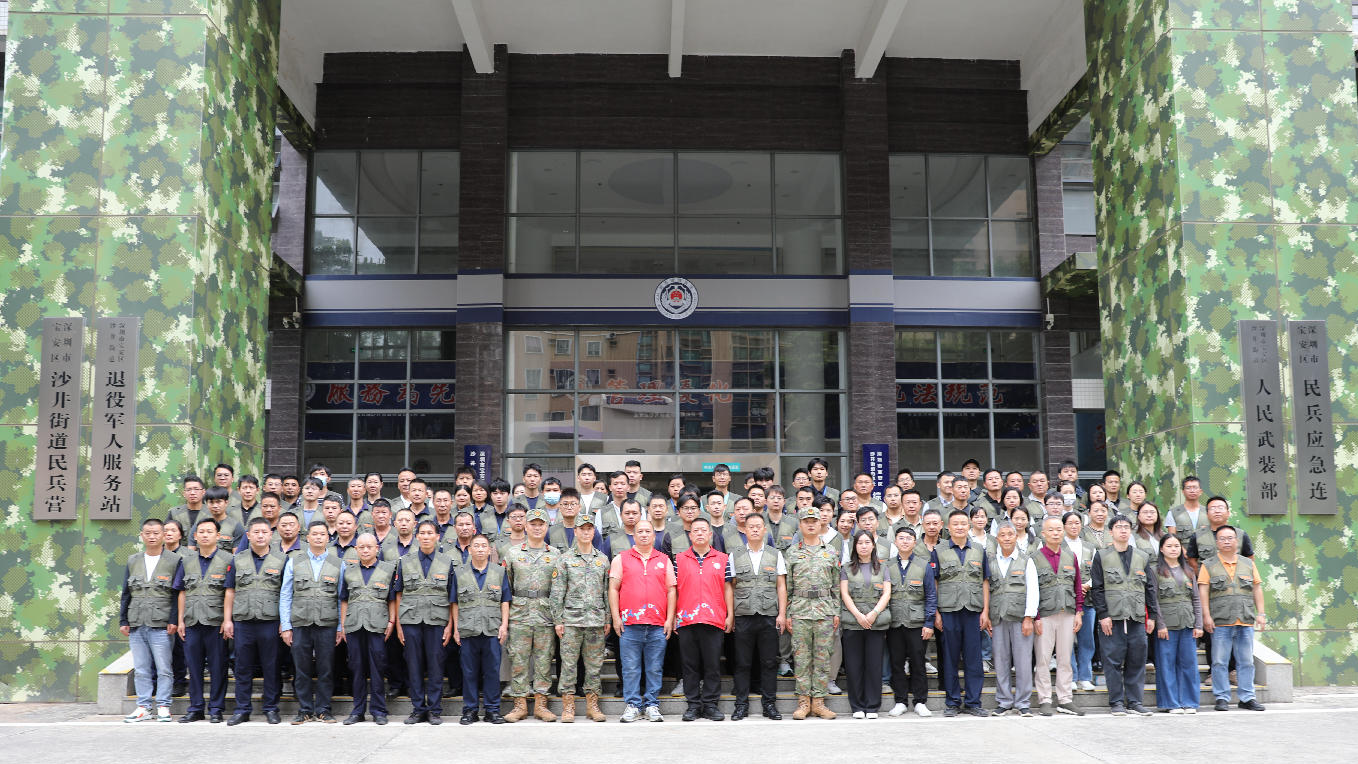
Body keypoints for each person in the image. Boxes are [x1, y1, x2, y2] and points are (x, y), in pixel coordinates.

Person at [1089, 514, 1158, 716]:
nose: (1123, 530)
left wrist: (1152, 615)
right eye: (1118, 527)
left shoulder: (1141, 556)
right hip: (1113, 617)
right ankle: (1117, 702)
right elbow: (1097, 588)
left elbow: (1150, 588)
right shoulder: (1102, 556)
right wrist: (1103, 615)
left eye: (1126, 527)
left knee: (1137, 659)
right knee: (1112, 661)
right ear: (1111, 531)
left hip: (1136, 616)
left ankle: (1135, 701)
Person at [609, 519, 675, 723]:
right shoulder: (621, 558)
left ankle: (652, 705)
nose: (644, 535)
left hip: (657, 623)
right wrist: (616, 617)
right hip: (629, 624)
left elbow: (672, 590)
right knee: (630, 667)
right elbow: (613, 589)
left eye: (648, 531)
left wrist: (670, 619)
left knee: (654, 667)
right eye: (640, 532)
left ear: (654, 536)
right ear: (634, 535)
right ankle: (633, 705)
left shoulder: (664, 560)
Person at [280, 520, 345, 724]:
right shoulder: (294, 561)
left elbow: (341, 598)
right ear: (307, 537)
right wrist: (286, 625)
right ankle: (305, 709)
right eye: (314, 534)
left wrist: (341, 627)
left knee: (326, 669)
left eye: (322, 534)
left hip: (327, 623)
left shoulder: (338, 564)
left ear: (328, 538)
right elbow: (286, 595)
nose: (318, 537)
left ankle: (324, 709)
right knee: (301, 669)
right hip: (300, 622)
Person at [119, 518, 184, 723]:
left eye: (156, 533)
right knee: (141, 668)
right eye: (148, 533)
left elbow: (177, 594)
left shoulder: (174, 561)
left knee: (164, 668)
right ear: (142, 535)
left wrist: (174, 619)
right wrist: (123, 620)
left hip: (162, 623)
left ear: (164, 535)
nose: (152, 536)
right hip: (137, 622)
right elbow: (126, 593)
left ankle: (164, 705)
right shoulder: (133, 560)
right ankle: (143, 706)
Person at [550, 510, 611, 723]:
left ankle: (592, 705)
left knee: (594, 665)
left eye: (589, 529)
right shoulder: (565, 559)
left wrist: (607, 619)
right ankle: (568, 706)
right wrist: (558, 620)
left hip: (595, 621)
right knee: (568, 665)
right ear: (575, 531)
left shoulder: (602, 560)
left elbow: (606, 592)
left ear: (594, 531)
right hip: (571, 621)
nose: (586, 532)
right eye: (581, 529)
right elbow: (557, 592)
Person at [226, 517, 285, 725]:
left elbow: (286, 593)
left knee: (271, 667)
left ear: (271, 535)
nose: (260, 535)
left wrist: (284, 622)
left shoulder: (281, 560)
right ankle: (242, 709)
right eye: (256, 532)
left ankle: (271, 708)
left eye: (264, 532)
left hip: (270, 621)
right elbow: (230, 590)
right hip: (243, 621)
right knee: (243, 667)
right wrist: (227, 620)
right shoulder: (238, 559)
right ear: (248, 535)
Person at [502, 507, 559, 722]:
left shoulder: (555, 555)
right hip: (519, 613)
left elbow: (559, 588)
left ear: (546, 527)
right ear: (525, 526)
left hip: (545, 614)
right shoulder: (513, 553)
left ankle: (541, 705)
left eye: (541, 524)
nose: (536, 527)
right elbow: (506, 587)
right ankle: (520, 705)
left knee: (544, 660)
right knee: (518, 660)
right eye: (532, 524)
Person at [931, 509, 990, 717]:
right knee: (950, 658)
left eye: (963, 523)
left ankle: (973, 702)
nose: (959, 527)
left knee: (974, 659)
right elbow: (935, 583)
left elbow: (984, 581)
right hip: (949, 611)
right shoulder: (938, 551)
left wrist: (986, 611)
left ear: (969, 525)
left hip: (973, 611)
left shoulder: (980, 550)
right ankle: (953, 702)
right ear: (948, 527)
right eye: (955, 523)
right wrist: (936, 613)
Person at [1200, 525, 1266, 711]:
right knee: (1219, 661)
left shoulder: (1248, 563)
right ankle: (1221, 697)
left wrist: (1261, 614)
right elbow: (1203, 591)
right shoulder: (1208, 564)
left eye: (1230, 538)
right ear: (1217, 542)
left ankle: (1247, 697)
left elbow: (1257, 588)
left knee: (1246, 661)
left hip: (1245, 619)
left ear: (1236, 541)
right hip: (1221, 620)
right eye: (1222, 538)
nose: (1227, 541)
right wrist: (1206, 616)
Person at [395, 520, 455, 725]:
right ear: (417, 536)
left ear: (438, 536)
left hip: (437, 621)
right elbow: (399, 594)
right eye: (423, 533)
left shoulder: (447, 562)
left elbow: (451, 596)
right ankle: (418, 708)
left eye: (431, 533)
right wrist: (399, 626)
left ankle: (435, 710)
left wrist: (450, 626)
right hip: (410, 621)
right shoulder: (405, 561)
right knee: (414, 666)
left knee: (436, 666)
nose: (427, 536)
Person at [673, 517, 732, 722]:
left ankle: (710, 705)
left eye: (703, 530)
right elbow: (674, 591)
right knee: (689, 665)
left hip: (713, 618)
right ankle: (693, 705)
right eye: (695, 530)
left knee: (712, 664)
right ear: (690, 535)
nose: (699, 533)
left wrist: (730, 614)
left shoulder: (723, 558)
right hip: (687, 619)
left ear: (710, 535)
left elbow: (727, 588)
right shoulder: (678, 559)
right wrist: (673, 617)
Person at [727, 512, 785, 720]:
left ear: (764, 530)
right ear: (744, 529)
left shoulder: (775, 554)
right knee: (742, 662)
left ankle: (769, 704)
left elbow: (781, 586)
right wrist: (730, 615)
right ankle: (741, 705)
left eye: (758, 526)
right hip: (743, 614)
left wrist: (782, 614)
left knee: (769, 662)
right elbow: (730, 587)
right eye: (750, 526)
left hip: (768, 614)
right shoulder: (735, 555)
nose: (754, 529)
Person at [177, 518, 233, 723]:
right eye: (201, 532)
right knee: (194, 667)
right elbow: (182, 591)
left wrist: (227, 620)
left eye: (209, 531)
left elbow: (230, 592)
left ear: (218, 536)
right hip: (192, 621)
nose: (205, 535)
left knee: (218, 667)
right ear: (195, 536)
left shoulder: (228, 559)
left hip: (216, 622)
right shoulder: (186, 560)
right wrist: (181, 621)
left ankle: (216, 708)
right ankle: (196, 707)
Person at [786, 508, 840, 720]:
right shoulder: (791, 553)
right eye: (806, 521)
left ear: (821, 525)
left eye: (814, 521)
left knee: (822, 658)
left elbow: (836, 585)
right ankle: (803, 702)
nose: (810, 525)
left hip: (825, 610)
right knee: (801, 657)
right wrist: (788, 613)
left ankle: (818, 702)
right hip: (799, 610)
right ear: (800, 525)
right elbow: (788, 586)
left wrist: (836, 611)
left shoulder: (831, 552)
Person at [451, 534, 511, 724]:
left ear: (489, 550)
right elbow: (455, 602)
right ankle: (470, 710)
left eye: (483, 546)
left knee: (492, 671)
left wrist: (504, 625)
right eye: (476, 546)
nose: (479, 549)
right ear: (469, 550)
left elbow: (505, 600)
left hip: (492, 629)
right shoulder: (459, 573)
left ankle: (492, 710)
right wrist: (456, 628)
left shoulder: (499, 572)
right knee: (469, 672)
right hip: (468, 628)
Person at [1032, 516, 1085, 716]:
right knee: (1043, 659)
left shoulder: (1070, 556)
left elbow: (1077, 585)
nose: (1056, 533)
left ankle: (1065, 699)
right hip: (1045, 615)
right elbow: (1032, 589)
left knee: (1065, 659)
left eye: (1058, 530)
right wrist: (1035, 616)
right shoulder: (1035, 558)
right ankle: (1045, 699)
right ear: (1043, 534)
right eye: (1051, 530)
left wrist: (1079, 611)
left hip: (1068, 613)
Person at [987, 519, 1036, 717]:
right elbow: (987, 591)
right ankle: (1004, 700)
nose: (1007, 539)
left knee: (1024, 661)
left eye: (1010, 535)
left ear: (1017, 537)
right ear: (997, 538)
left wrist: (1029, 617)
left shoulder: (1026, 560)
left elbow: (1033, 590)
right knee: (1001, 661)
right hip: (998, 617)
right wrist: (987, 616)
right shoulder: (990, 561)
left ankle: (1023, 702)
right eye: (1003, 535)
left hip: (1019, 618)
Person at [839, 529, 891, 719]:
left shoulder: (883, 568)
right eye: (860, 543)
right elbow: (845, 594)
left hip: (875, 623)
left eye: (867, 542)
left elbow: (886, 593)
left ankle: (872, 706)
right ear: (855, 546)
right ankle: (857, 706)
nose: (863, 546)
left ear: (873, 545)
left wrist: (873, 613)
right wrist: (859, 615)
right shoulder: (846, 568)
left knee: (874, 665)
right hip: (853, 623)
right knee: (854, 666)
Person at [885, 527, 935, 718]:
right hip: (894, 622)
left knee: (918, 663)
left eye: (909, 538)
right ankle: (900, 701)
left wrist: (929, 623)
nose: (905, 541)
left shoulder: (924, 565)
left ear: (915, 543)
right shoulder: (887, 566)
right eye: (901, 538)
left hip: (917, 622)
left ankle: (920, 701)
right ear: (895, 542)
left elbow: (930, 595)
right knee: (897, 663)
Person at [1154, 533, 1202, 713]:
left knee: (1189, 664)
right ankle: (1170, 703)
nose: (1173, 549)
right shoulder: (1155, 571)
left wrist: (1198, 624)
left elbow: (1196, 599)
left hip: (1187, 623)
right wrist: (1160, 624)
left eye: (1176, 546)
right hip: (1167, 624)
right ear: (1161, 549)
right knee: (1166, 664)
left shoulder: (1188, 569)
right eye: (1169, 546)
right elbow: (1154, 600)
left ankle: (1189, 702)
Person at [1164, 475, 1209, 545]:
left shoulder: (1208, 512)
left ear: (1201, 491)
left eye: (1195, 487)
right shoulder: (1173, 513)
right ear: (1183, 491)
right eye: (1188, 488)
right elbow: (1172, 539)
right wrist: (1184, 553)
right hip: (1183, 554)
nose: (1192, 491)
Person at [1134, 500, 1164, 565]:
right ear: (1138, 516)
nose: (1149, 515)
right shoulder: (1132, 535)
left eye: (1152, 512)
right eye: (1145, 512)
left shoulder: (1164, 535)